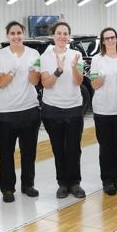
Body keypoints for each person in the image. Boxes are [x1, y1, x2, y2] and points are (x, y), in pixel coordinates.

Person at [0, 21, 41, 202]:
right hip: (5, 111)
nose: (16, 36)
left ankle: (28, 184)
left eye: (19, 33)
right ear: (7, 36)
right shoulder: (0, 55)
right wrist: (14, 69)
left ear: (23, 34)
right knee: (6, 152)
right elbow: (1, 82)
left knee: (29, 151)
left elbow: (35, 82)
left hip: (29, 109)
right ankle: (7, 189)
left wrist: (30, 70)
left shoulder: (33, 53)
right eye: (12, 33)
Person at [40, 22, 86, 199]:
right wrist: (59, 70)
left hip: (73, 108)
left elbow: (78, 82)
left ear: (69, 36)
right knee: (58, 148)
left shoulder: (76, 54)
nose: (62, 36)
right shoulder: (45, 57)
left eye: (65, 33)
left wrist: (74, 68)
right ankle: (62, 183)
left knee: (74, 148)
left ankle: (75, 183)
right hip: (52, 109)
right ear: (54, 35)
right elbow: (46, 83)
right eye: (59, 33)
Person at [90, 27, 117, 195]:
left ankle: (115, 178)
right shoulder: (97, 60)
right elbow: (94, 85)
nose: (110, 40)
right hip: (102, 109)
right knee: (105, 146)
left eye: (113, 37)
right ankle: (106, 180)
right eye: (107, 38)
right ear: (103, 41)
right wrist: (102, 77)